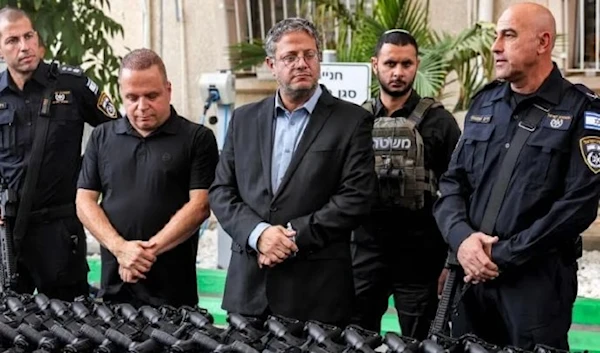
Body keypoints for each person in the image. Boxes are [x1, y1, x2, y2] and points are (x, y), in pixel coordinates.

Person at [433, 2, 600, 350]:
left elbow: (577, 207)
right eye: (496, 36)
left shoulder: (582, 112)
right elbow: (452, 184)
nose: (495, 46)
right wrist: (463, 241)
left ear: (543, 42)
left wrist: (501, 255)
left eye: (508, 35)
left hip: (535, 284)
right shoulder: (484, 103)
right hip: (470, 277)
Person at [209, 17, 377, 326]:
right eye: (290, 57)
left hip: (316, 296)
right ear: (271, 64)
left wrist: (290, 238)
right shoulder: (245, 119)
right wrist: (259, 235)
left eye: (309, 54)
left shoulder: (352, 121)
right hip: (249, 291)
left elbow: (356, 198)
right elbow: (221, 191)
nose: (302, 63)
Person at [76, 48, 219, 307]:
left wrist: (144, 253)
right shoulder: (102, 137)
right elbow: (84, 202)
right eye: (132, 97)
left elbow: (200, 206)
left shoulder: (197, 139)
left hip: (173, 291)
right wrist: (120, 249)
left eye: (151, 96)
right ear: (121, 93)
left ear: (168, 89)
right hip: (114, 287)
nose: (141, 107)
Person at [0, 6, 119, 301]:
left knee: (71, 323)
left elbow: (118, 135)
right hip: (9, 233)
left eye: (28, 36)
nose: (24, 46)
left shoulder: (72, 84)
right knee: (13, 325)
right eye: (12, 40)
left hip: (61, 230)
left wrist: (89, 179)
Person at [351, 30, 461, 338]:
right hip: (365, 251)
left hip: (420, 255)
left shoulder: (440, 122)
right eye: (390, 63)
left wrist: (452, 258)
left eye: (406, 64)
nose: (398, 72)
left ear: (417, 64)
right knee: (357, 338)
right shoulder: (356, 120)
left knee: (422, 341)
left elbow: (459, 191)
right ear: (375, 65)